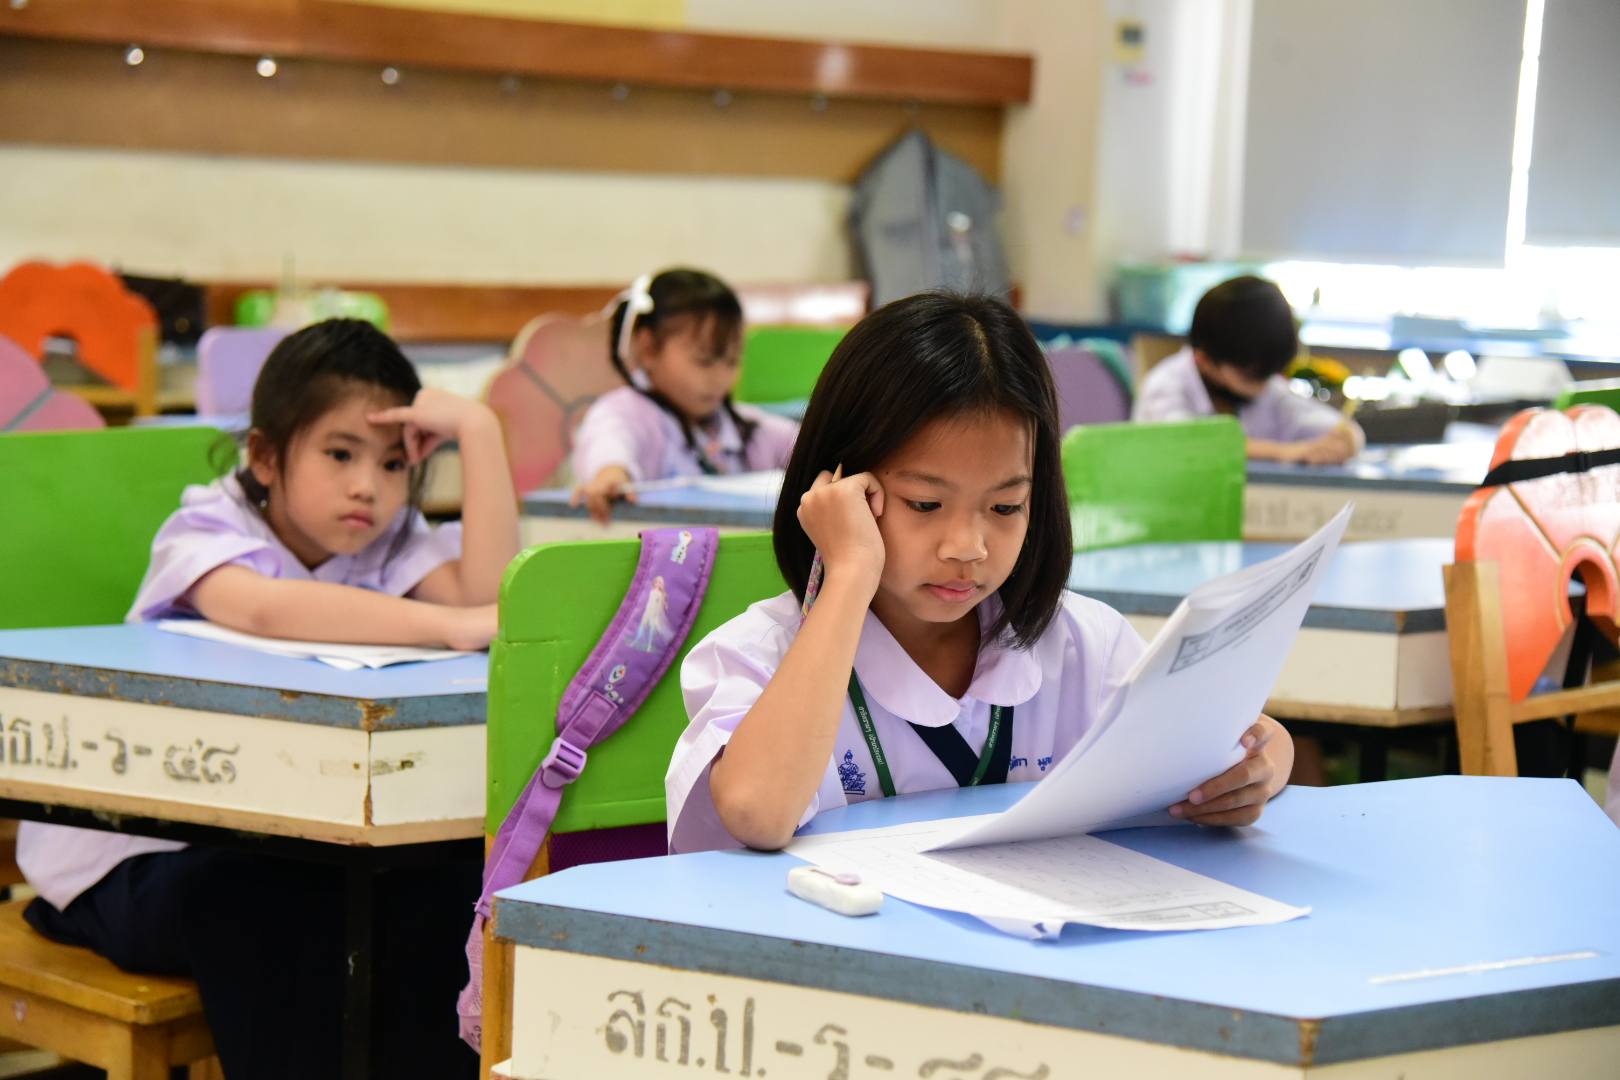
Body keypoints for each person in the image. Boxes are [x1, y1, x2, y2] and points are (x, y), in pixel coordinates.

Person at [17, 318, 519, 1078]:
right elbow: (260, 608)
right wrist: (445, 625)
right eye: (340, 454)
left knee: (443, 883)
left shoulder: (389, 542)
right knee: (267, 899)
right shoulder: (204, 526)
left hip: (295, 844)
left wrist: (479, 432)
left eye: (392, 464)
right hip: (129, 859)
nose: (367, 486)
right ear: (264, 456)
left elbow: (488, 596)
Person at [666, 292, 1293, 853]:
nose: (968, 548)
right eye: (925, 504)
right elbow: (758, 812)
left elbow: (1221, 746)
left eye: (1005, 507)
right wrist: (850, 570)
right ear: (840, 490)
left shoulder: (1083, 644)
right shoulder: (755, 654)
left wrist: (1263, 762)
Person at [570, 268, 799, 523]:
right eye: (704, 361)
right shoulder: (625, 413)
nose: (721, 377)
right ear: (648, 348)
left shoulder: (744, 427)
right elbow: (610, 446)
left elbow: (804, 445)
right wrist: (611, 476)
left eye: (732, 361)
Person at [1134, 275, 1364, 464]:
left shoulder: (1266, 385)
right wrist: (1283, 452)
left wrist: (1347, 440)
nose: (1263, 386)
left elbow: (1338, 427)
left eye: (1269, 375)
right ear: (1204, 361)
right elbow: (1189, 444)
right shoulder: (1166, 385)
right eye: (1251, 377)